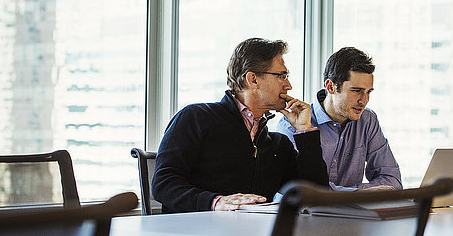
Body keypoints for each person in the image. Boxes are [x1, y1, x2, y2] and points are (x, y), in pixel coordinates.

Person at [152, 37, 328, 213]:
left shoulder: (278, 145)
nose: (289, 85)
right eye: (281, 76)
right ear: (253, 79)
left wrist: (305, 131)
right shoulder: (196, 117)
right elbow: (163, 183)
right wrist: (215, 202)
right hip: (193, 233)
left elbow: (317, 196)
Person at [275, 47, 402, 190]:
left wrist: (352, 194)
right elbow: (300, 189)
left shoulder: (367, 120)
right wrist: (359, 193)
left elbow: (392, 181)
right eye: (357, 91)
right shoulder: (293, 125)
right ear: (331, 87)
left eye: (368, 92)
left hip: (351, 212)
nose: (364, 100)